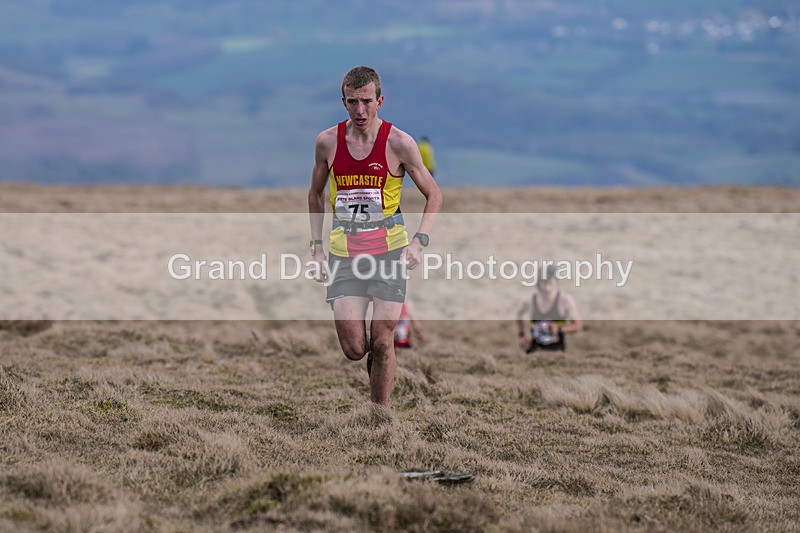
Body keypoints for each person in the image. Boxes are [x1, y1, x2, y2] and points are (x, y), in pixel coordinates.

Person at [308, 66, 442, 406]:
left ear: (380, 101)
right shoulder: (327, 142)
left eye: (367, 101)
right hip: (345, 254)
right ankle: (378, 366)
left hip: (390, 253)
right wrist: (317, 248)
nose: (360, 110)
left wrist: (419, 241)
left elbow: (434, 194)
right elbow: (315, 194)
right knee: (355, 348)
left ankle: (379, 417)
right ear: (343, 102)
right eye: (352, 102)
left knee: (382, 342)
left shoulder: (400, 143)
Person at [516, 267, 582, 353]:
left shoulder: (565, 300)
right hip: (534, 353)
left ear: (556, 282)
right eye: (544, 283)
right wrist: (522, 335)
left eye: (550, 283)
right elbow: (519, 315)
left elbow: (577, 325)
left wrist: (558, 329)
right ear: (538, 284)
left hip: (558, 353)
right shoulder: (529, 301)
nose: (547, 288)